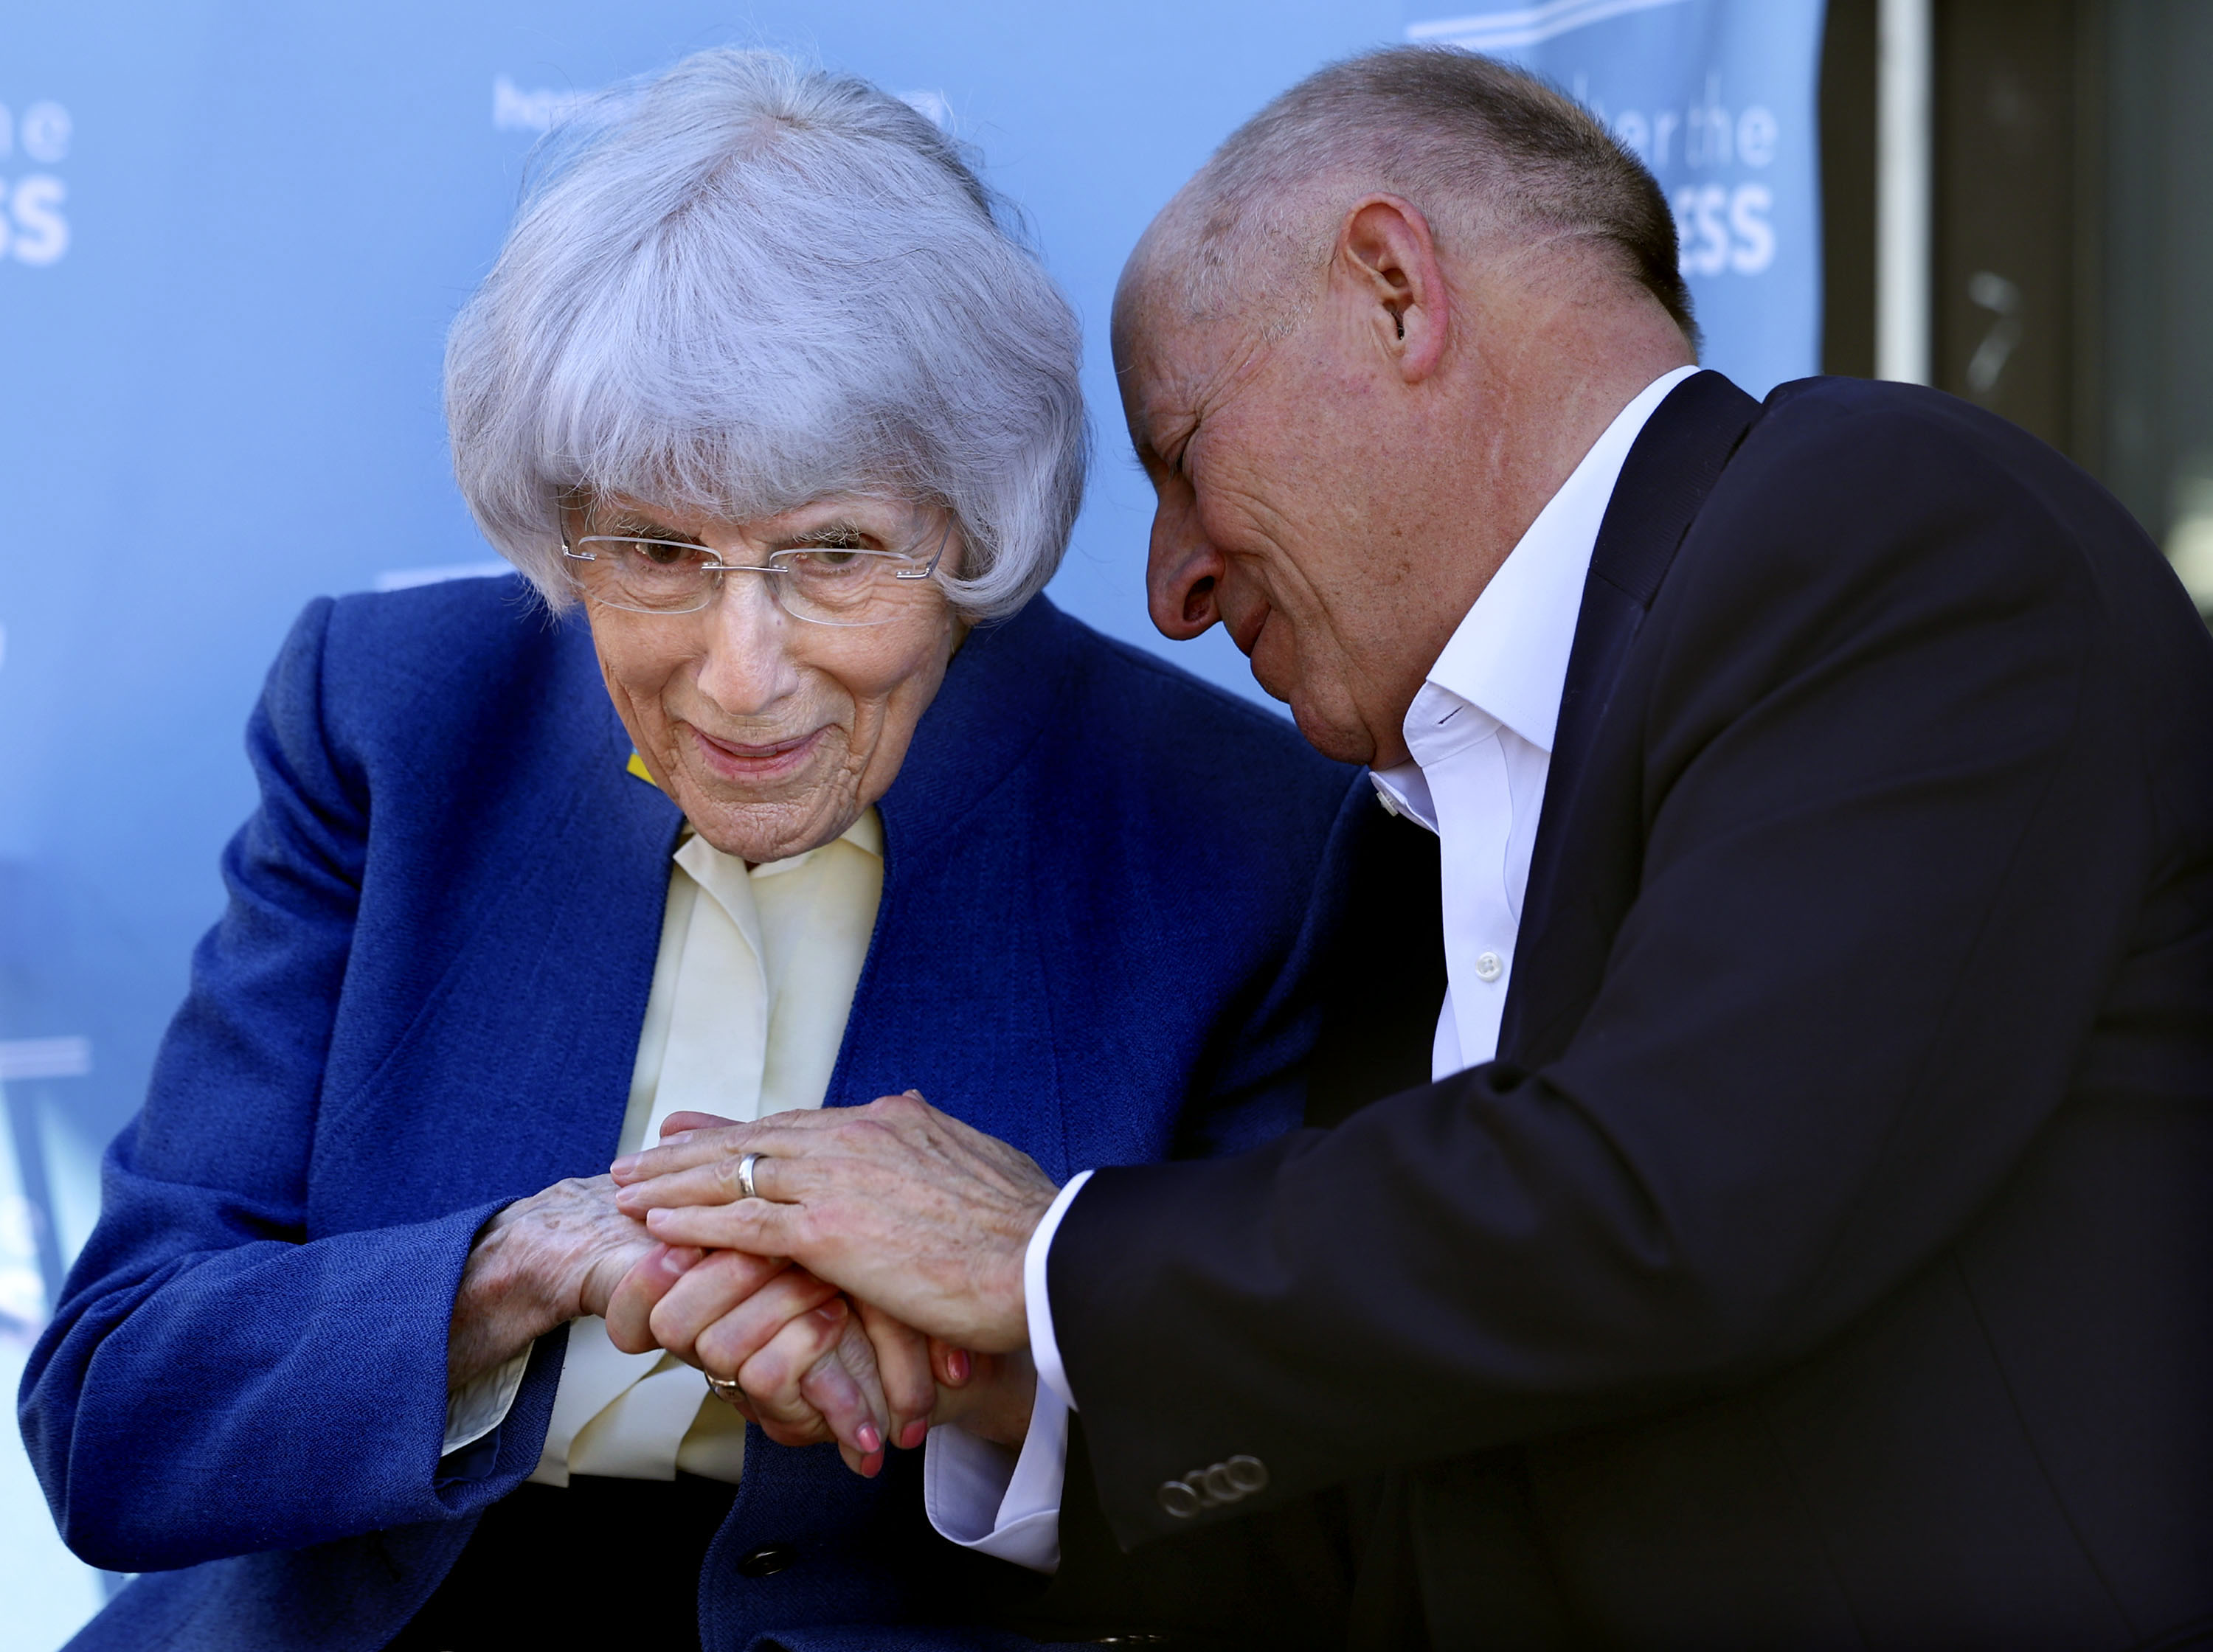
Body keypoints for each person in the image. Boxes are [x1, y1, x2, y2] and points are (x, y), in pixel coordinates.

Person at [612, 46, 2213, 1649]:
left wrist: (1036, 1253)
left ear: (1393, 291)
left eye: (1181, 454)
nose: (1171, 585)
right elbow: (1398, 1493)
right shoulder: (1391, 830)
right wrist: (1006, 1383)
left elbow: (1676, 1203)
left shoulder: (1892, 533)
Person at [19, 49, 1370, 1652]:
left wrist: (995, 1370)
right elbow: (116, 1411)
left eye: (836, 555)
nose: (740, 674)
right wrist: (513, 1272)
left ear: (974, 525)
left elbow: (1297, 1541)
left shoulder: (1235, 834)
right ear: (559, 527)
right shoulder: (394, 722)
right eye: (659, 550)